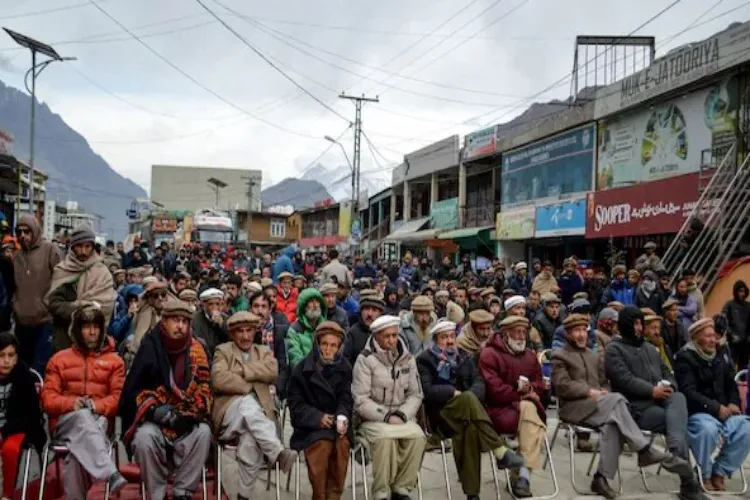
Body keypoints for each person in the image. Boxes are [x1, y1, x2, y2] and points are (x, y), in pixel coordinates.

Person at [552, 314, 674, 499]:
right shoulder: (560, 356)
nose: (581, 335)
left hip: (597, 406)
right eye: (576, 331)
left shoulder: (593, 356)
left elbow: (604, 382)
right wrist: (589, 391)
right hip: (573, 408)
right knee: (617, 399)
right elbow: (562, 385)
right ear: (568, 334)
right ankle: (643, 449)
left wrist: (603, 390)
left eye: (583, 330)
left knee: (613, 425)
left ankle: (601, 478)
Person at [605, 306, 705, 500]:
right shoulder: (614, 349)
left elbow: (668, 372)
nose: (640, 328)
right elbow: (624, 380)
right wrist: (653, 390)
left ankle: (675, 452)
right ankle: (689, 484)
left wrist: (670, 386)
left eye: (641, 323)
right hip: (636, 408)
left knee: (679, 398)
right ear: (626, 325)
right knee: (677, 422)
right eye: (636, 323)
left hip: (661, 401)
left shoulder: (650, 349)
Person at [417, 320, 524, 500]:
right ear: (435, 340)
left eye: (452, 336)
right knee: (467, 400)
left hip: (468, 414)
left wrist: (469, 396)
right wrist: (453, 392)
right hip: (442, 415)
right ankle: (499, 450)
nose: (450, 341)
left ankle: (472, 495)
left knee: (471, 429)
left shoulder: (464, 357)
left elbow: (479, 383)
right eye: (444, 337)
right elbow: (426, 391)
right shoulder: (425, 359)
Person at [119, 298, 213, 500]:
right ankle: (157, 494)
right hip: (155, 420)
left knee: (204, 432)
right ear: (164, 321)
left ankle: (183, 492)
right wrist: (154, 410)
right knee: (144, 439)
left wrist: (190, 413)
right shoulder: (150, 347)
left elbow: (205, 389)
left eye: (185, 321)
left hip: (186, 418)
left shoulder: (197, 350)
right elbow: (132, 392)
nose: (180, 326)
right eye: (175, 321)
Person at [41, 305, 127, 497]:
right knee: (81, 416)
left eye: (96, 327)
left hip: (100, 421)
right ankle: (110, 472)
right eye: (87, 327)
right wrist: (73, 403)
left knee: (76, 455)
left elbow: (118, 399)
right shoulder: (58, 360)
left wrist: (95, 406)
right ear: (77, 330)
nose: (92, 332)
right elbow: (47, 399)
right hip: (66, 422)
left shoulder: (115, 362)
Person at [212, 311, 297, 498]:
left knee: (250, 441)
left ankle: (244, 495)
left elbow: (272, 371)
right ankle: (277, 452)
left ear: (254, 331)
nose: (245, 336)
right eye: (240, 331)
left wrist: (239, 371)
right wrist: (253, 383)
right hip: (230, 414)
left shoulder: (263, 351)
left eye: (249, 330)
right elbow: (219, 379)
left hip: (259, 418)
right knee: (246, 403)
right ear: (233, 334)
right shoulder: (223, 351)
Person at [352, 315, 425, 500]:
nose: (392, 340)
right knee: (385, 439)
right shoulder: (365, 360)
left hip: (401, 416)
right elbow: (361, 400)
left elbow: (416, 394)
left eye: (395, 335)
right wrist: (386, 416)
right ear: (376, 336)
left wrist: (402, 414)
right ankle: (381, 492)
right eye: (387, 336)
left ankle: (401, 488)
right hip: (373, 419)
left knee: (418, 437)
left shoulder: (407, 359)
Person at [674, 317, 750, 492]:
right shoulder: (685, 358)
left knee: (746, 428)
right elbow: (688, 392)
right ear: (696, 338)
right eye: (708, 337)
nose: (713, 340)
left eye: (714, 336)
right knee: (707, 430)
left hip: (725, 412)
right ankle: (704, 474)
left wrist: (733, 403)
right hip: (699, 413)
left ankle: (720, 471)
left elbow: (731, 384)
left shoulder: (721, 355)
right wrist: (716, 408)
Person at [479, 316, 548, 498]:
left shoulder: (530, 356)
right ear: (506, 334)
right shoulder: (489, 354)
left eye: (523, 332)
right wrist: (520, 393)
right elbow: (493, 390)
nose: (521, 336)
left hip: (523, 410)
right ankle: (523, 477)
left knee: (530, 416)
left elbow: (541, 384)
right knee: (533, 419)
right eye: (516, 332)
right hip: (497, 410)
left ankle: (522, 477)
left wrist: (531, 388)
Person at [288, 321, 353, 500]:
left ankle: (333, 496)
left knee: (342, 446)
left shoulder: (345, 367)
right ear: (317, 344)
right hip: (311, 427)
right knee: (321, 446)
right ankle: (319, 496)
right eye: (324, 344)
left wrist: (342, 414)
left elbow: (347, 397)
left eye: (333, 345)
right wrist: (318, 417)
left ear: (339, 347)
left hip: (337, 424)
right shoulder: (302, 369)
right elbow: (295, 405)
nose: (328, 349)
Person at [45, 224, 115, 353]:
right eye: (79, 246)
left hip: (94, 341)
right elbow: (54, 303)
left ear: (93, 247)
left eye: (87, 246)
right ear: (72, 247)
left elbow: (107, 304)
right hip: (65, 341)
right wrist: (78, 308)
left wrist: (89, 313)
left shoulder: (102, 273)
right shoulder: (63, 271)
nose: (83, 251)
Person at [0, 332, 46, 500]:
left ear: (16, 357)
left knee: (10, 450)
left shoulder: (24, 377)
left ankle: (7, 495)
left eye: (11, 356)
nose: (6, 361)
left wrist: (4, 431)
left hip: (18, 427)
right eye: (1, 356)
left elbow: (30, 416)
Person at [13, 213, 61, 373]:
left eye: (27, 231)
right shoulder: (16, 256)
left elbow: (61, 281)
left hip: (44, 321)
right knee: (21, 368)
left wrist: (50, 306)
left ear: (35, 231)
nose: (23, 236)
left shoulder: (50, 250)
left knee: (38, 369)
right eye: (19, 232)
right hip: (21, 323)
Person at [249, 290, 289, 400]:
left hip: (272, 385)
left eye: (263, 306)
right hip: (249, 385)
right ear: (250, 309)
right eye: (256, 306)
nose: (259, 311)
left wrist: (276, 387)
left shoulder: (277, 332)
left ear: (269, 309)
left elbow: (282, 367)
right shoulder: (244, 331)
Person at [286, 288, 327, 366]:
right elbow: (295, 359)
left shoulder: (326, 327)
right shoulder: (294, 330)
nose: (315, 305)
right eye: (311, 302)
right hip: (304, 374)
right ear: (304, 307)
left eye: (317, 301)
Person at [343, 289, 384, 364]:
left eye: (374, 310)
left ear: (380, 314)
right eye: (367, 309)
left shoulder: (386, 332)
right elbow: (345, 360)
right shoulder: (353, 333)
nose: (370, 314)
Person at [130, 280, 168, 354]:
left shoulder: (169, 311)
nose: (160, 298)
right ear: (150, 299)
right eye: (155, 296)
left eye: (163, 295)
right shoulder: (145, 312)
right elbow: (138, 342)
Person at [721, 280, 750, 368]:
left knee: (744, 368)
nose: (742, 293)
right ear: (735, 292)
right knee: (730, 366)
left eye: (743, 291)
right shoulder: (729, 305)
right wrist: (731, 335)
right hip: (733, 342)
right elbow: (723, 321)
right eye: (740, 291)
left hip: (746, 343)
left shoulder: (748, 306)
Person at [192, 287, 228, 356]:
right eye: (211, 304)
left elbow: (231, 338)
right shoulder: (194, 319)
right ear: (204, 305)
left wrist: (222, 325)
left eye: (217, 304)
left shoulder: (226, 318)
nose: (214, 307)